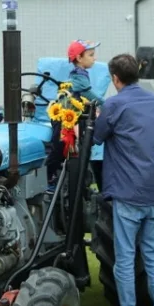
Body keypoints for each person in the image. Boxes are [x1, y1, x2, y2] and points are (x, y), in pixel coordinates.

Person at [94, 53, 154, 306]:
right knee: (152, 257)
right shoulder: (153, 101)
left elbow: (98, 136)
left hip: (128, 195)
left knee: (125, 259)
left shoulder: (113, 104)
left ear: (115, 79)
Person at [46, 39, 103, 194]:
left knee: (77, 147)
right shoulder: (78, 75)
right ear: (79, 58)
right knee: (59, 147)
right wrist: (106, 106)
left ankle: (76, 179)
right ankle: (49, 177)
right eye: (91, 55)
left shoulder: (81, 74)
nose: (94, 58)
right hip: (66, 117)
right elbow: (88, 93)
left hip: (74, 116)